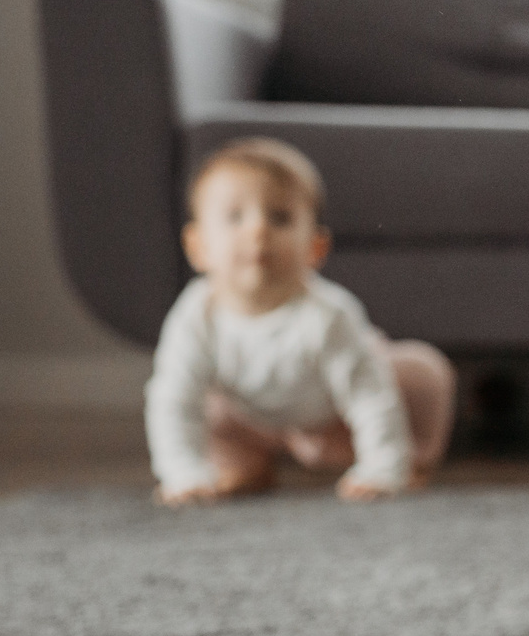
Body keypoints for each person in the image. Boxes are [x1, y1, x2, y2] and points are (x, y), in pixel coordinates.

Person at [146, 137, 454, 505]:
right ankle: (243, 466)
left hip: (335, 418)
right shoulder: (195, 315)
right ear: (198, 247)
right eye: (234, 217)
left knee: (422, 372)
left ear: (316, 247)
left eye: (281, 217)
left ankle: (411, 461)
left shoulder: (328, 314)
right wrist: (182, 473)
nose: (258, 230)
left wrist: (383, 467)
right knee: (205, 406)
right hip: (254, 420)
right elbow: (174, 400)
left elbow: (369, 396)